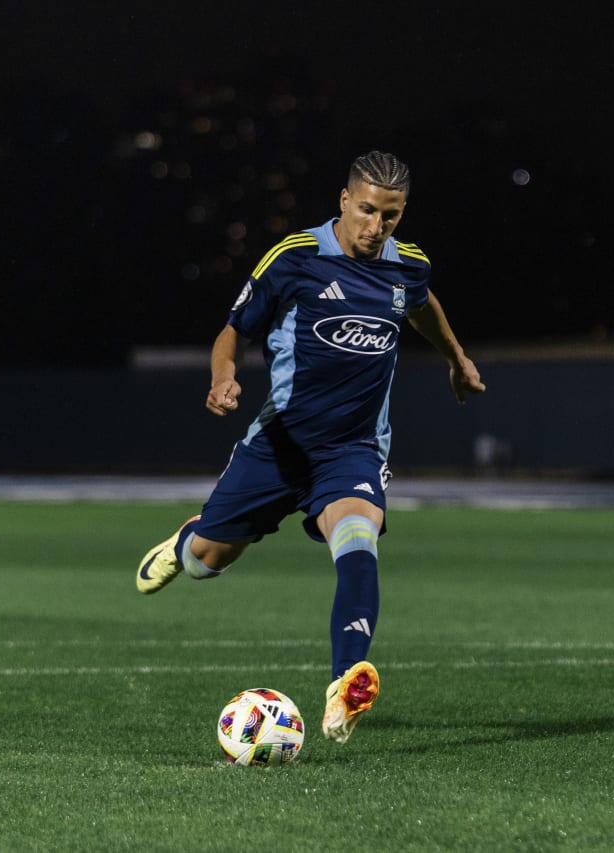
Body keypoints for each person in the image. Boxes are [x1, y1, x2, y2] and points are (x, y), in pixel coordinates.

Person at [135, 151, 485, 744]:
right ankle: (191, 538)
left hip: (352, 449)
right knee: (205, 564)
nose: (377, 227)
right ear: (345, 201)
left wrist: (455, 357)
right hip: (278, 445)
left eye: (391, 217)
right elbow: (233, 331)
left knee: (358, 538)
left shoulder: (409, 265)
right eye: (368, 211)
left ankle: (344, 684)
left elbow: (424, 307)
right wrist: (223, 376)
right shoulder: (294, 258)